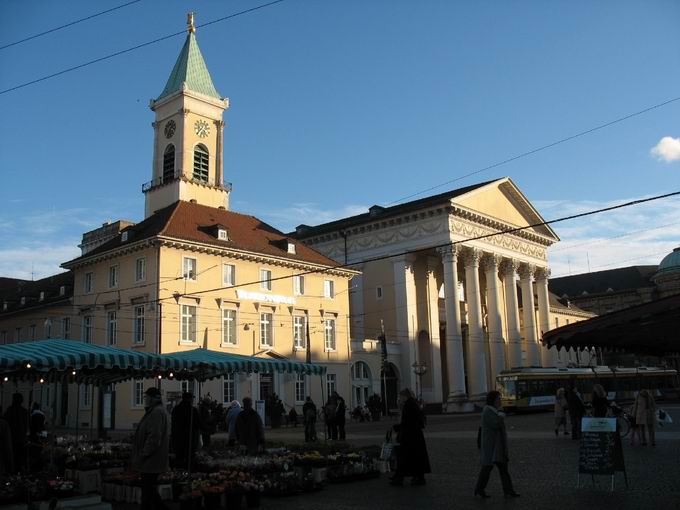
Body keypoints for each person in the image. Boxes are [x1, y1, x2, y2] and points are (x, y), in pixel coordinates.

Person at [474, 391, 519, 498]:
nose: (500, 401)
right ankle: (479, 489)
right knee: (487, 469)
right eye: (498, 399)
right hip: (491, 446)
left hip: (498, 446)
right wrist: (501, 416)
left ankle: (508, 490)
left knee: (503, 469)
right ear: (492, 400)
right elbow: (495, 424)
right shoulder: (488, 411)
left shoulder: (494, 411)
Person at [131, 387, 170, 510]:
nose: (145, 399)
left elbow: (154, 437)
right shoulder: (155, 411)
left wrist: (144, 454)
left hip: (151, 460)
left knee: (148, 492)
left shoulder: (156, 412)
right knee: (150, 490)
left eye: (146, 397)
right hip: (152, 460)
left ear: (153, 399)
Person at [390, 389, 430, 486]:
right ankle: (417, 477)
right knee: (416, 457)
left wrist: (397, 427)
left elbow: (408, 422)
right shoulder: (413, 404)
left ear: (405, 396)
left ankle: (401, 477)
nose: (400, 399)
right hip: (415, 435)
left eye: (400, 396)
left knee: (405, 457)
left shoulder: (409, 405)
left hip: (410, 436)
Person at [170, 392, 201, 469]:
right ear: (189, 399)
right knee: (189, 461)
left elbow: (173, 423)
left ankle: (178, 475)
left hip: (178, 439)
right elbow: (197, 424)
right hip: (189, 439)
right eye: (192, 399)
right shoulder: (192, 410)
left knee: (179, 459)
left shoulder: (176, 409)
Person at [3, 393, 28, 473]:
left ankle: (12, 470)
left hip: (12, 438)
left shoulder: (10, 410)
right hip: (20, 438)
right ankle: (17, 470)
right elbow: (26, 425)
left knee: (12, 456)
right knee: (19, 456)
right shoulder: (24, 412)